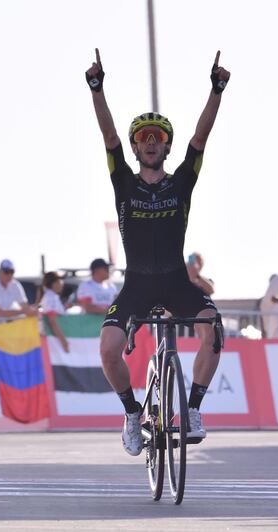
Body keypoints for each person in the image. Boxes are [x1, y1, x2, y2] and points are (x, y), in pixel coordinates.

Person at [86, 47, 229, 455]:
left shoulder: (181, 183)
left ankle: (194, 409)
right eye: (144, 139)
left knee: (213, 332)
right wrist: (97, 87)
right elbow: (108, 135)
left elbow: (200, 139)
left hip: (176, 283)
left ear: (167, 147)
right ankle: (132, 413)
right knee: (109, 349)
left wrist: (216, 90)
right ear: (135, 149)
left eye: (159, 138)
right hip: (137, 286)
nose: (151, 143)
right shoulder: (124, 183)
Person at [37, 271, 70, 353]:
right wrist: (64, 341)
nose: (61, 283)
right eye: (59, 281)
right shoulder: (51, 297)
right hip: (54, 343)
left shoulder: (51, 296)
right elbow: (52, 320)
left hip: (53, 342)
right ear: (53, 284)